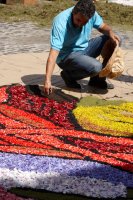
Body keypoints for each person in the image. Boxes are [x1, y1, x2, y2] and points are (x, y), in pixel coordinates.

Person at [44, 0, 120, 95]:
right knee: (96, 67)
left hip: (84, 48)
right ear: (73, 12)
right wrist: (48, 80)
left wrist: (110, 32)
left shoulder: (90, 13)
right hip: (66, 56)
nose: (80, 24)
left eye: (84, 22)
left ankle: (97, 80)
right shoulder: (60, 22)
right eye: (78, 20)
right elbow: (53, 53)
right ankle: (69, 76)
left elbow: (102, 27)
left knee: (112, 40)